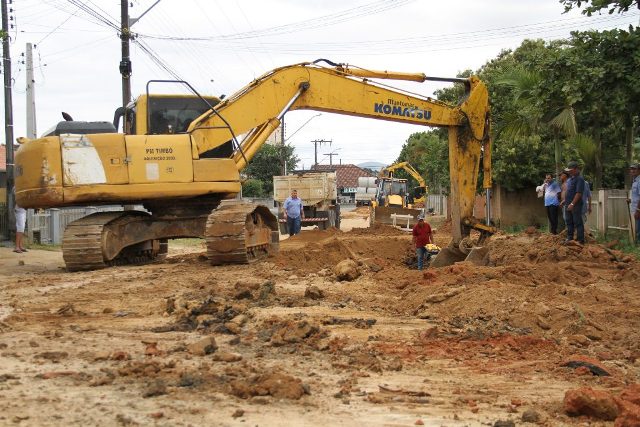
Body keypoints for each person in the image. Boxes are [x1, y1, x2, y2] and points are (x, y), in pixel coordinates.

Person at [562, 160, 586, 244]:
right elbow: (570, 192)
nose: (569, 172)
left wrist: (572, 204)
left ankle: (580, 240)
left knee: (577, 222)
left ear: (576, 169)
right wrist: (565, 201)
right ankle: (570, 238)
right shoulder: (571, 179)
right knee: (569, 221)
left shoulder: (579, 179)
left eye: (570, 170)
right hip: (568, 204)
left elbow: (578, 193)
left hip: (575, 205)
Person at [13, 188, 28, 253]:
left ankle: (20, 246)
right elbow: (17, 195)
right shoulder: (16, 187)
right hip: (19, 210)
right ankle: (16, 247)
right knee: (20, 228)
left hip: (23, 210)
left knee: (22, 228)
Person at [629, 163, 640, 245]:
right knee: (636, 230)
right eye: (631, 169)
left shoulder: (639, 181)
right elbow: (636, 196)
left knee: (638, 230)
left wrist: (638, 210)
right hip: (635, 209)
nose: (632, 170)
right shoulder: (634, 181)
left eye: (634, 169)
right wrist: (630, 200)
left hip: (638, 210)